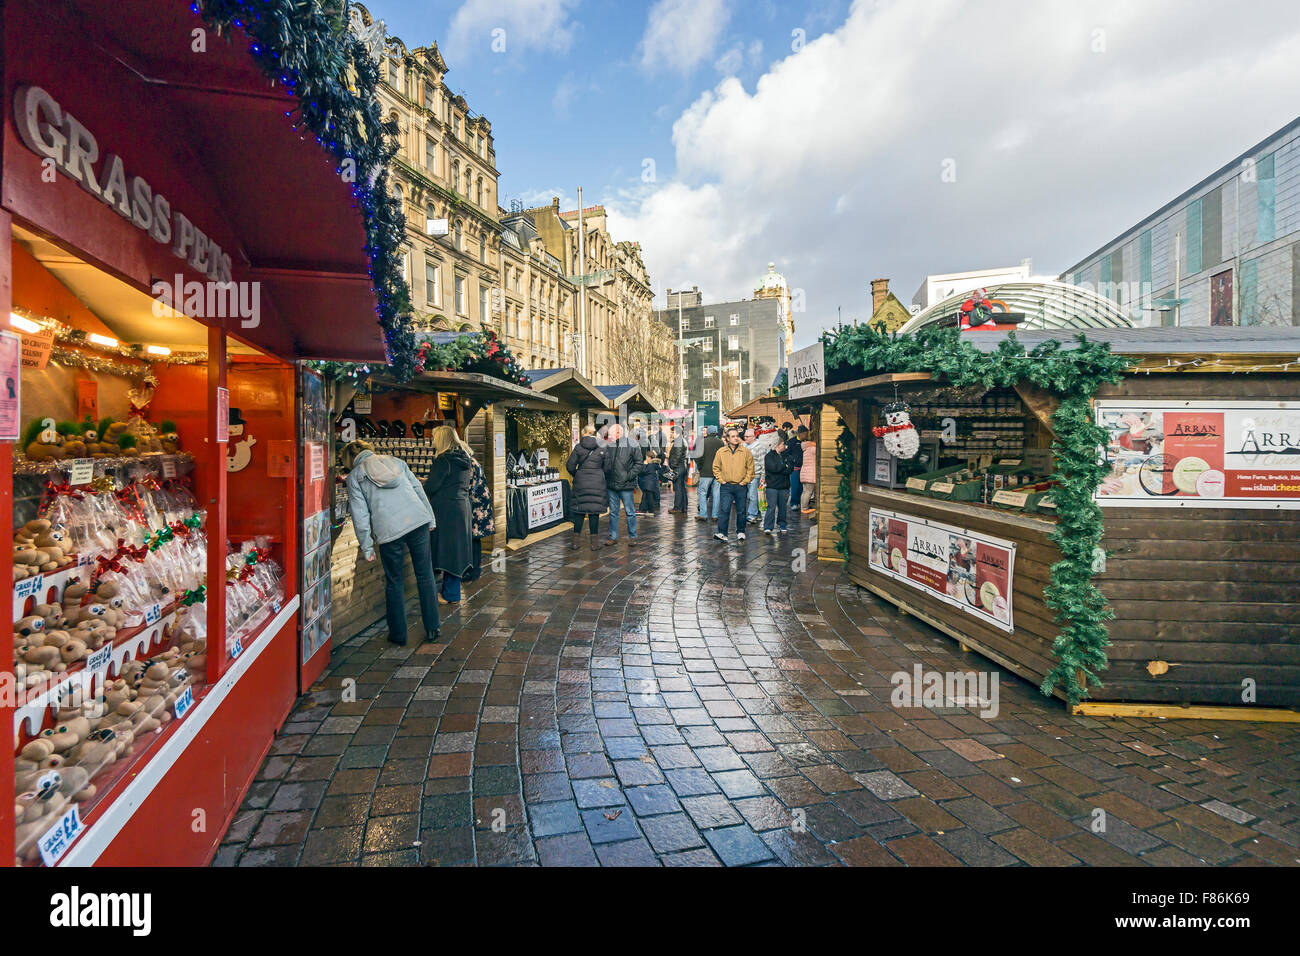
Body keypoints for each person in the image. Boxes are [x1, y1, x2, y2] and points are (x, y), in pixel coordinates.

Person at [341, 439, 439, 646]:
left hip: (388, 531)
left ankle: (398, 635)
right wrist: (431, 517)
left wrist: (367, 546)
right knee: (425, 575)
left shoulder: (355, 477)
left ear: (349, 459)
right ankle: (432, 627)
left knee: (395, 582)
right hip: (417, 520)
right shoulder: (396, 461)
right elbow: (417, 490)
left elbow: (360, 515)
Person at [424, 425, 474, 604]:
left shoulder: (443, 460)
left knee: (448, 550)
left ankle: (450, 594)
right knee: (456, 550)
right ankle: (450, 590)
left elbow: (432, 487)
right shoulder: (464, 457)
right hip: (461, 506)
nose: (433, 441)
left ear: (442, 439)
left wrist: (422, 483)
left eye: (435, 438)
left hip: (446, 510)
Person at [566, 424, 608, 550]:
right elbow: (608, 468)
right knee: (594, 513)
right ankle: (594, 544)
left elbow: (570, 466)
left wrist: (578, 474)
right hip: (597, 483)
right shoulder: (602, 447)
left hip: (581, 482)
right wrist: (599, 474)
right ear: (594, 434)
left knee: (579, 512)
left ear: (584, 433)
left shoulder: (578, 447)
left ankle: (575, 543)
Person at [603, 422, 643, 547]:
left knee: (629, 511)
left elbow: (639, 464)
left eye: (611, 433)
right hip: (611, 485)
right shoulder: (609, 445)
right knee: (613, 512)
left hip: (626, 485)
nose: (609, 435)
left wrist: (628, 476)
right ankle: (613, 536)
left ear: (619, 433)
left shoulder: (632, 444)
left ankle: (633, 536)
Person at [713, 426, 754, 542]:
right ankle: (722, 533)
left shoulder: (745, 451)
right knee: (724, 509)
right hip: (726, 486)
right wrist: (721, 480)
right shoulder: (721, 452)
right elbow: (716, 467)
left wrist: (745, 481)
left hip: (741, 486)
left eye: (737, 436)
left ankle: (741, 531)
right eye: (733, 436)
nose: (736, 438)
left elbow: (750, 468)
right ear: (727, 439)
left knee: (741, 510)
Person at [465, 454, 494, 581]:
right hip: (481, 503)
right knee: (475, 539)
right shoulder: (474, 462)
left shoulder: (469, 464)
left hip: (476, 505)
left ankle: (473, 571)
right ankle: (474, 570)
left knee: (473, 539)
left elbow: (468, 486)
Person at [748, 419, 780, 521]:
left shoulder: (759, 446)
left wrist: (763, 476)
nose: (745, 438)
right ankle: (756, 514)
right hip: (748, 474)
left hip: (756, 474)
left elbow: (762, 462)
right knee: (752, 496)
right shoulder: (745, 446)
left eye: (747, 436)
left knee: (753, 496)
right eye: (745, 436)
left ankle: (752, 515)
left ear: (754, 436)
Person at [762, 437, 792, 534]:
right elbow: (773, 468)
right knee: (771, 507)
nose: (785, 446)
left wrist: (782, 467)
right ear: (778, 445)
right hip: (772, 486)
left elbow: (790, 468)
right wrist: (784, 465)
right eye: (783, 444)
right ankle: (768, 526)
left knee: (783, 507)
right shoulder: (769, 456)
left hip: (784, 486)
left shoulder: (786, 455)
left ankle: (782, 524)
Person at [695, 425, 724, 521]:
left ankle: (703, 514)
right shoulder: (721, 443)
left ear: (708, 432)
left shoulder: (703, 442)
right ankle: (715, 515)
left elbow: (698, 457)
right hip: (718, 472)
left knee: (702, 493)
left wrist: (700, 467)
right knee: (716, 494)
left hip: (705, 472)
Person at [784, 423, 804, 516]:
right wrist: (792, 461)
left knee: (801, 486)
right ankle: (794, 503)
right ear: (800, 433)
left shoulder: (806, 441)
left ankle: (799, 502)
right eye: (805, 433)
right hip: (795, 468)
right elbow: (786, 453)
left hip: (804, 467)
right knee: (795, 486)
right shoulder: (791, 442)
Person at [667, 425, 688, 514]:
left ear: (677, 433)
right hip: (681, 467)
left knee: (678, 488)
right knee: (682, 488)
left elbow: (677, 456)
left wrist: (672, 467)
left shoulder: (679, 441)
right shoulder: (681, 440)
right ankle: (683, 507)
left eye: (672, 432)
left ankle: (677, 507)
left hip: (678, 468)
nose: (671, 434)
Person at [638, 450, 663, 515]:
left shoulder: (650, 465)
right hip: (650, 484)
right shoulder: (655, 465)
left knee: (649, 498)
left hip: (648, 484)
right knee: (646, 497)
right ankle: (643, 509)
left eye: (646, 457)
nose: (646, 458)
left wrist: (644, 464)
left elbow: (643, 471)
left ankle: (649, 510)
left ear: (649, 457)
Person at [800, 427, 817, 513]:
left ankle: (803, 507)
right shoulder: (813, 448)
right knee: (809, 492)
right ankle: (805, 508)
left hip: (804, 472)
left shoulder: (806, 447)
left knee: (805, 491)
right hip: (811, 472)